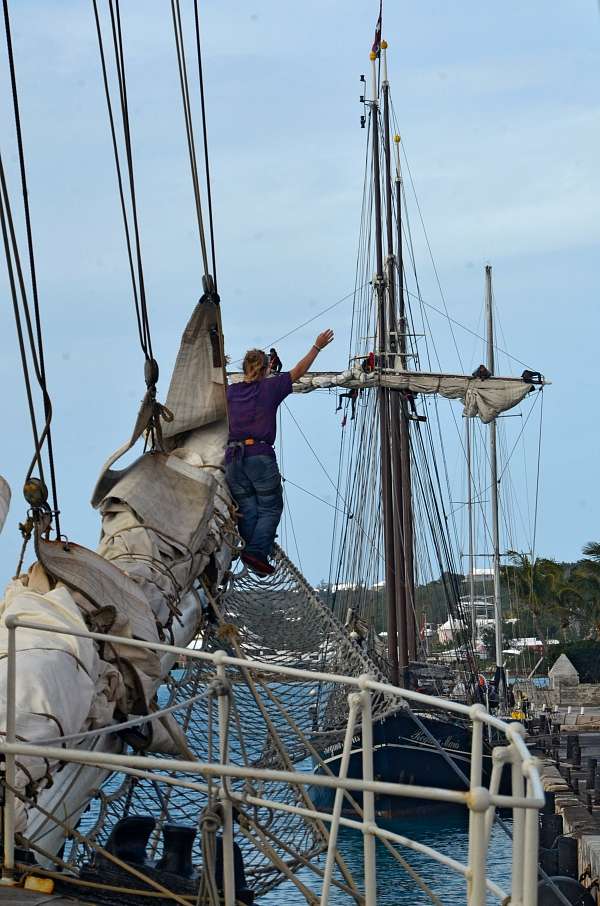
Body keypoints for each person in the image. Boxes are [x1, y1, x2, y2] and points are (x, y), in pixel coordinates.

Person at [226, 329, 334, 576]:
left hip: (232, 460)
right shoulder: (269, 388)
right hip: (259, 456)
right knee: (271, 506)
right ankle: (256, 552)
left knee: (248, 507)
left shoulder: (230, 393)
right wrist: (316, 346)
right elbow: (298, 371)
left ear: (244, 369)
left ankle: (254, 551)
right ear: (265, 369)